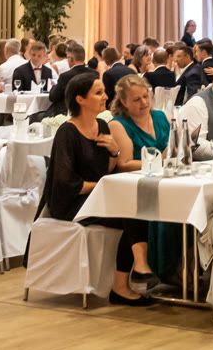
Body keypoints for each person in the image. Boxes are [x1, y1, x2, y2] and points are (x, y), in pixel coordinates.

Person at [42, 72, 158, 305]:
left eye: (104, 92)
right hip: (71, 203)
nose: (105, 97)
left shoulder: (102, 126)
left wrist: (114, 152)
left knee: (138, 208)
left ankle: (133, 274)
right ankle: (129, 279)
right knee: (128, 212)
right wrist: (103, 187)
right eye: (98, 93)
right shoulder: (67, 132)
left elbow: (106, 170)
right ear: (80, 99)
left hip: (98, 197)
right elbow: (65, 183)